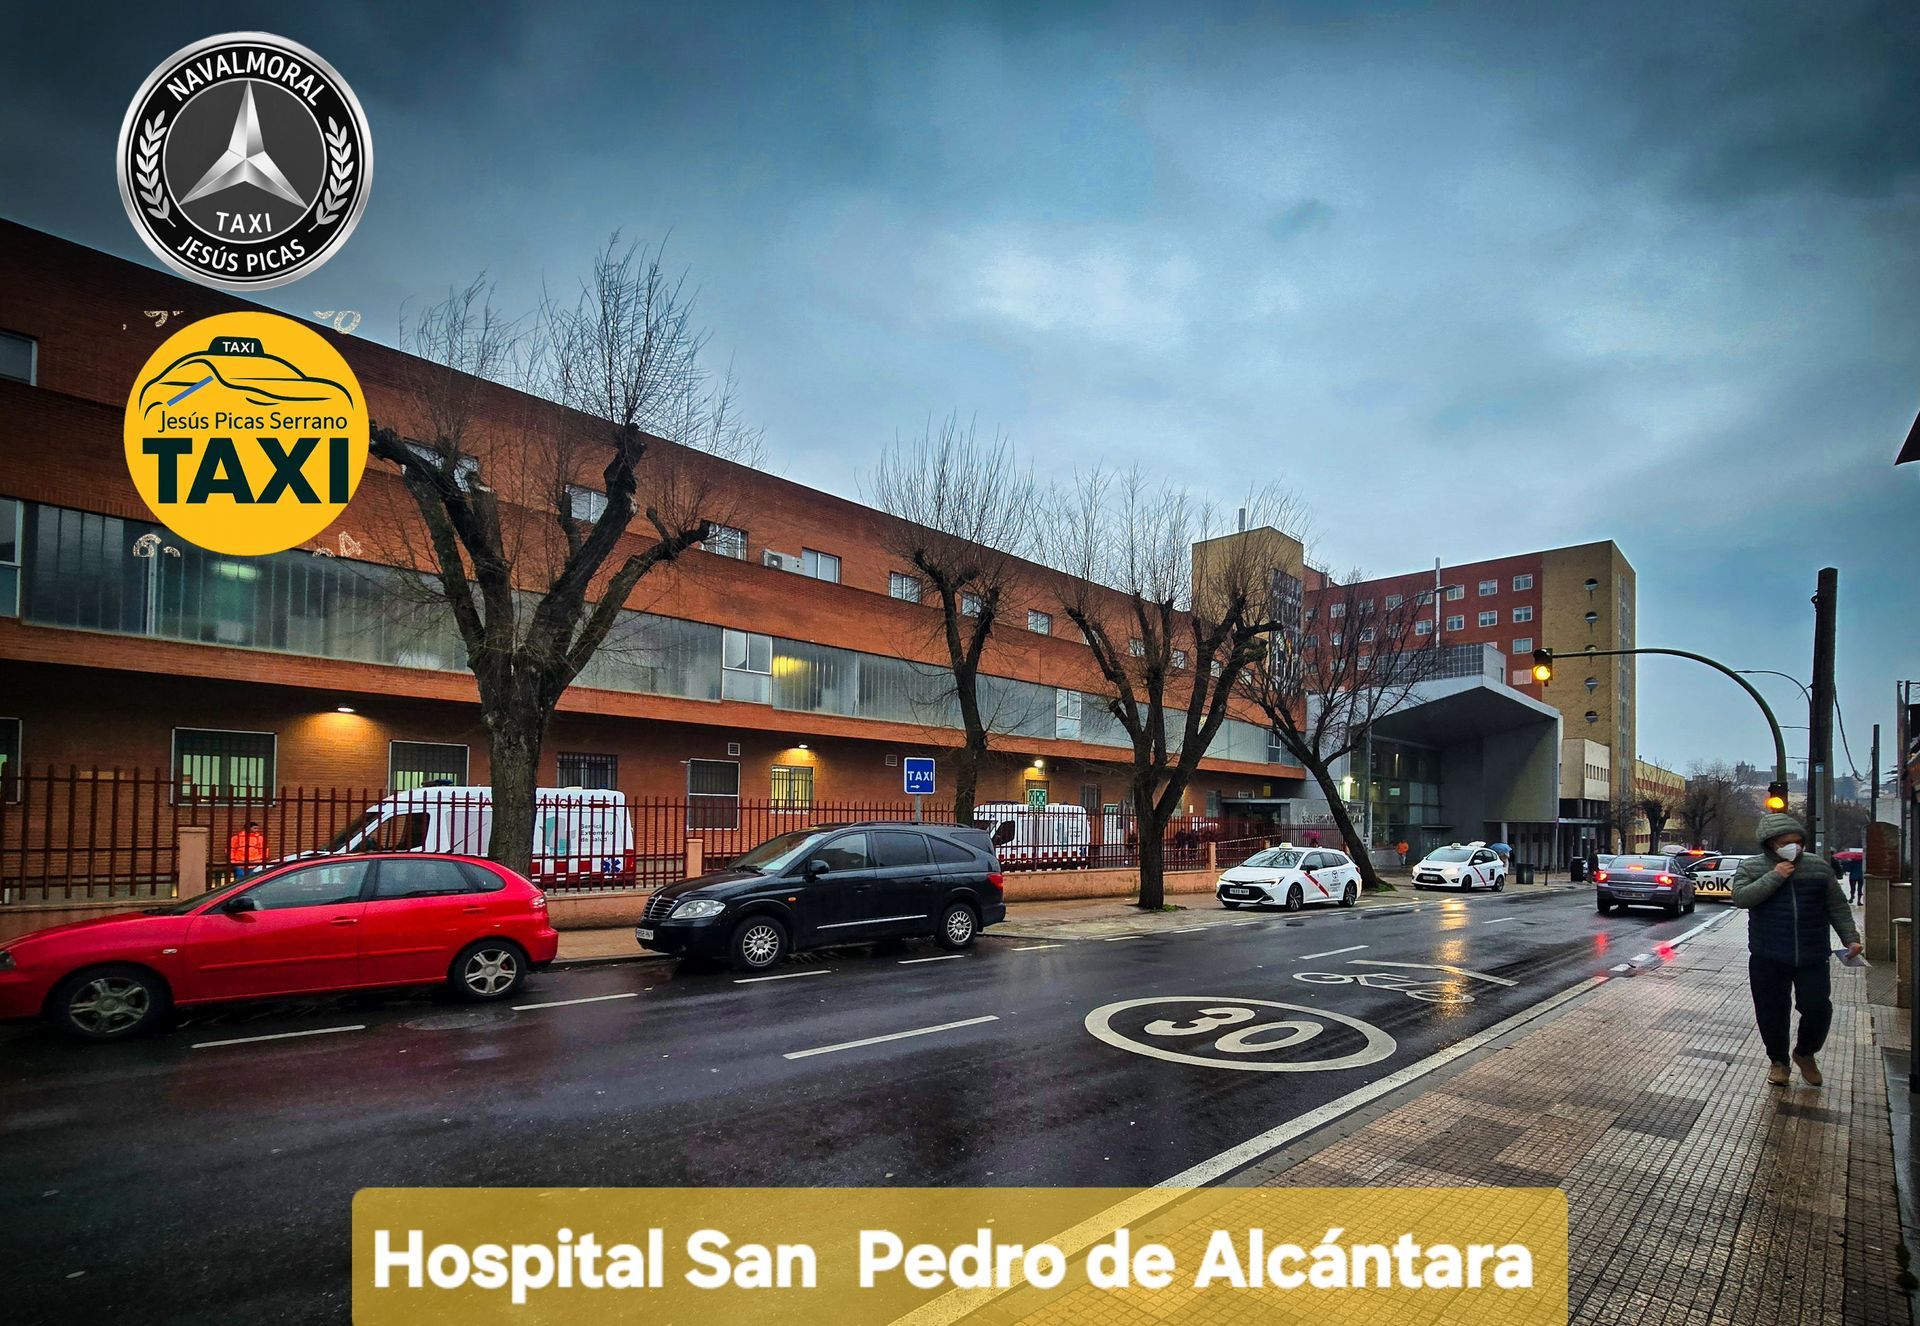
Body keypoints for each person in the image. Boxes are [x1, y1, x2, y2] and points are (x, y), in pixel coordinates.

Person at [1729, 812, 1862, 1087]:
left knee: (1817, 1008)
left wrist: (1851, 938)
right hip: (1769, 954)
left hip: (1813, 953)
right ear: (1771, 844)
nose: (1794, 847)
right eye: (1787, 842)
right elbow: (1742, 898)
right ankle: (1779, 1062)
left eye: (1798, 841)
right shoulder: (1752, 868)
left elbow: (1836, 906)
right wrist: (1774, 876)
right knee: (1772, 1011)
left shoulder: (1817, 867)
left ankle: (1805, 1053)